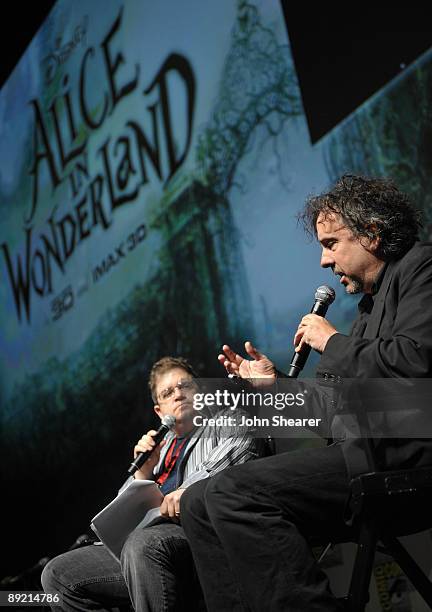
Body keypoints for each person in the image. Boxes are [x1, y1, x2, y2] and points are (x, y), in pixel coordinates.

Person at [180, 175, 432, 611]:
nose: (322, 261)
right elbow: (338, 412)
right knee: (200, 502)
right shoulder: (368, 310)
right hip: (366, 453)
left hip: (408, 455)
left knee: (233, 492)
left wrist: (332, 342)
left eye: (331, 243)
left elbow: (416, 363)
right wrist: (275, 387)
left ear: (372, 234)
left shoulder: (422, 268)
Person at [41, 356, 260, 611]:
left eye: (185, 386)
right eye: (167, 393)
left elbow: (241, 448)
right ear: (159, 410)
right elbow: (122, 510)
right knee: (56, 574)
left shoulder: (225, 421)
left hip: (194, 536)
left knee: (141, 545)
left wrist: (186, 491)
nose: (178, 395)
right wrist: (143, 474)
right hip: (138, 547)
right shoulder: (158, 449)